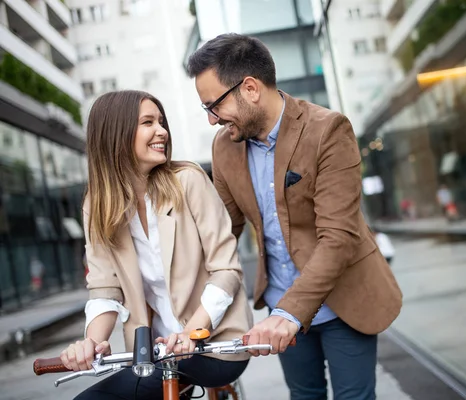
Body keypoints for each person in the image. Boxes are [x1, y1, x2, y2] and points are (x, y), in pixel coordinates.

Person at [187, 33, 403, 400]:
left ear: (251, 88)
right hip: (278, 302)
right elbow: (222, 231)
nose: (211, 120)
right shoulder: (225, 146)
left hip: (344, 298)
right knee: (304, 396)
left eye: (214, 105)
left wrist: (288, 314)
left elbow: (339, 237)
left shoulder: (328, 130)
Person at [59, 90, 253, 399]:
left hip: (215, 346)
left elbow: (226, 270)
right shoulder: (97, 204)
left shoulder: (188, 181)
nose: (161, 130)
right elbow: (104, 288)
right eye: (148, 122)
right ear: (116, 134)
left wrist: (193, 333)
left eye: (160, 121)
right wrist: (91, 344)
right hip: (155, 352)